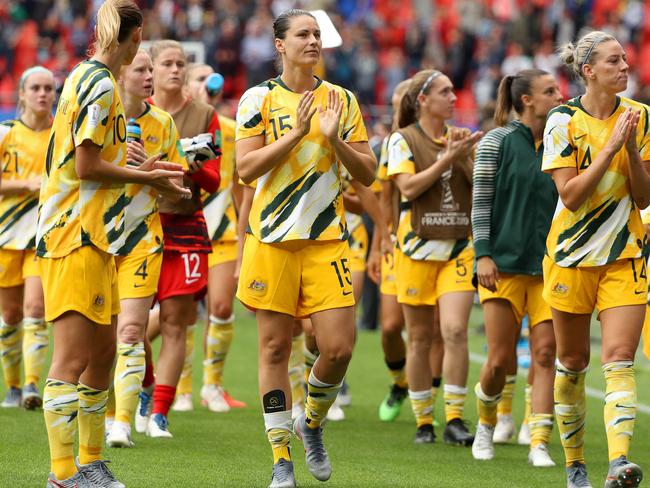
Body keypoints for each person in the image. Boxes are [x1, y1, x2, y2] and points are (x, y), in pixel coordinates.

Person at [37, 1, 188, 486]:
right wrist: (147, 179)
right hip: (73, 232)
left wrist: (144, 173)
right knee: (72, 358)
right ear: (137, 36)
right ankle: (63, 474)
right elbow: (85, 168)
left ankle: (91, 461)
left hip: (98, 234)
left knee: (104, 352)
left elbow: (97, 162)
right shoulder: (100, 84)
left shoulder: (87, 76)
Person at [235, 9, 375, 488]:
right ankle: (280, 460)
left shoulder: (342, 100)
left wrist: (334, 142)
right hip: (271, 241)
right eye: (303, 34)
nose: (313, 41)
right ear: (280, 44)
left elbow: (370, 174)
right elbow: (246, 169)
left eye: (317, 34)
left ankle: (310, 423)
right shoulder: (257, 99)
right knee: (275, 347)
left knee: (337, 348)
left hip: (326, 241)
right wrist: (295, 133)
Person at [543, 31, 649, 488]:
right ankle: (575, 463)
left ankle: (618, 464)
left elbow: (644, 197)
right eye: (613, 62)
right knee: (571, 361)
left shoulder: (641, 117)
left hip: (626, 254)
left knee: (620, 358)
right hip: (570, 257)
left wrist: (630, 151)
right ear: (589, 71)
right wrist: (610, 148)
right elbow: (569, 196)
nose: (625, 67)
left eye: (625, 59)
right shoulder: (561, 120)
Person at [471, 69, 562, 467]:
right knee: (499, 361)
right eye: (550, 91)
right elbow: (481, 202)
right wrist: (483, 254)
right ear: (527, 100)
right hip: (502, 267)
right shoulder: (497, 141)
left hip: (551, 270)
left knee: (545, 355)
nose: (560, 95)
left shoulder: (564, 142)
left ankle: (538, 441)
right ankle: (486, 425)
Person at [387, 69, 481, 446]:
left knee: (455, 331)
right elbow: (407, 186)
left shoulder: (460, 137)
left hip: (458, 245)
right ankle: (423, 420)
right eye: (445, 92)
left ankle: (455, 417)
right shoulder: (402, 140)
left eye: (453, 90)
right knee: (420, 338)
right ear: (422, 100)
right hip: (416, 247)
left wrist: (467, 158)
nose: (453, 98)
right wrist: (447, 158)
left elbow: (479, 188)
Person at [106, 49, 187, 448]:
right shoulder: (99, 118)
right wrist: (128, 170)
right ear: (120, 75)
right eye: (140, 69)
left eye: (150, 69)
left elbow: (177, 188)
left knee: (133, 329)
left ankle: (122, 423)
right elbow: (78, 174)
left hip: (142, 238)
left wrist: (158, 177)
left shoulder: (163, 123)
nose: (149, 76)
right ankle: (104, 414)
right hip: (99, 238)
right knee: (101, 338)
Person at [145, 39, 221, 436]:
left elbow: (216, 178)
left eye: (181, 63)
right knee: (131, 327)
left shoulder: (205, 114)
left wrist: (192, 167)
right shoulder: (136, 113)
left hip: (186, 227)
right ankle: (143, 385)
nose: (175, 69)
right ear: (151, 70)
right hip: (141, 224)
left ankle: (160, 411)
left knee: (176, 324)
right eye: (168, 64)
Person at [179, 62, 246, 413]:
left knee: (220, 308)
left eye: (211, 78)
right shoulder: (173, 123)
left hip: (222, 233)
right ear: (187, 85)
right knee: (184, 314)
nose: (209, 83)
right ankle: (183, 389)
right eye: (200, 78)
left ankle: (212, 386)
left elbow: (237, 183)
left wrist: (244, 231)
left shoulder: (231, 130)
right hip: (186, 228)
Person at [0, 67, 54, 410]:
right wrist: (26, 185)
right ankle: (14, 385)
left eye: (49, 88)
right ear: (22, 93)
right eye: (35, 87)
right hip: (6, 234)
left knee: (36, 308)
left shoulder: (61, 134)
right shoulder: (5, 133)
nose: (43, 94)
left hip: (43, 234)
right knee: (10, 315)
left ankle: (33, 384)